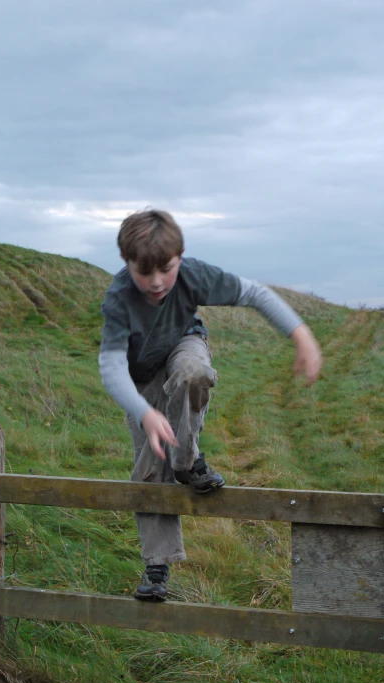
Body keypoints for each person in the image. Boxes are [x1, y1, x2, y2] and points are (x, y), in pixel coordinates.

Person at [99, 209, 322, 602]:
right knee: (151, 465)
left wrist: (299, 333)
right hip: (141, 376)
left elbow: (254, 293)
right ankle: (157, 565)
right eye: (143, 272)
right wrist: (145, 413)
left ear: (180, 257)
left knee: (193, 373)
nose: (155, 283)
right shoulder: (118, 299)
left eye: (165, 270)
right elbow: (111, 366)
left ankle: (187, 461)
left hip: (184, 342)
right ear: (126, 263)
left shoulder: (193, 276)